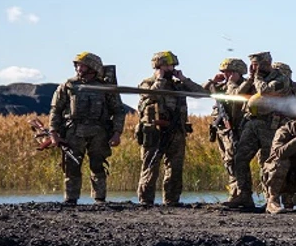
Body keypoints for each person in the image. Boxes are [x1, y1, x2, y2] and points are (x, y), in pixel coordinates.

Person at [48, 52, 125, 204]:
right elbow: (55, 110)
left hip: (99, 132)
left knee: (98, 165)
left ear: (92, 67)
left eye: (81, 64)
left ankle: (99, 199)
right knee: (72, 165)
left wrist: (117, 133)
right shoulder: (68, 86)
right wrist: (53, 132)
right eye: (77, 64)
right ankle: (71, 199)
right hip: (74, 131)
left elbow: (118, 111)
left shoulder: (105, 88)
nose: (78, 67)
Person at [136, 51, 206, 206]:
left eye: (173, 65)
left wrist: (184, 79)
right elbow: (150, 97)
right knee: (151, 165)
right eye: (168, 65)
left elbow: (201, 93)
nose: (171, 68)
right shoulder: (148, 83)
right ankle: (146, 200)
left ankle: (171, 200)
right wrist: (160, 79)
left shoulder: (178, 85)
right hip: (155, 132)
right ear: (158, 66)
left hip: (176, 131)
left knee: (175, 167)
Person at [229, 51, 294, 210]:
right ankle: (244, 195)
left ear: (266, 63)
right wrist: (250, 79)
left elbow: (265, 91)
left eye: (256, 64)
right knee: (240, 158)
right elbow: (237, 95)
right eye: (252, 65)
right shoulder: (255, 79)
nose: (253, 68)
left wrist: (256, 78)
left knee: (268, 162)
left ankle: (270, 200)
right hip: (251, 123)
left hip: (271, 125)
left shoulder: (280, 79)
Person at [203, 58, 247, 202]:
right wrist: (212, 81)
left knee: (235, 161)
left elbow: (236, 96)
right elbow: (201, 91)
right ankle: (234, 194)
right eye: (224, 72)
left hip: (236, 129)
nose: (227, 75)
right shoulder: (221, 86)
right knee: (228, 161)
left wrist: (233, 82)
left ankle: (240, 195)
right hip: (222, 131)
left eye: (230, 72)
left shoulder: (244, 86)